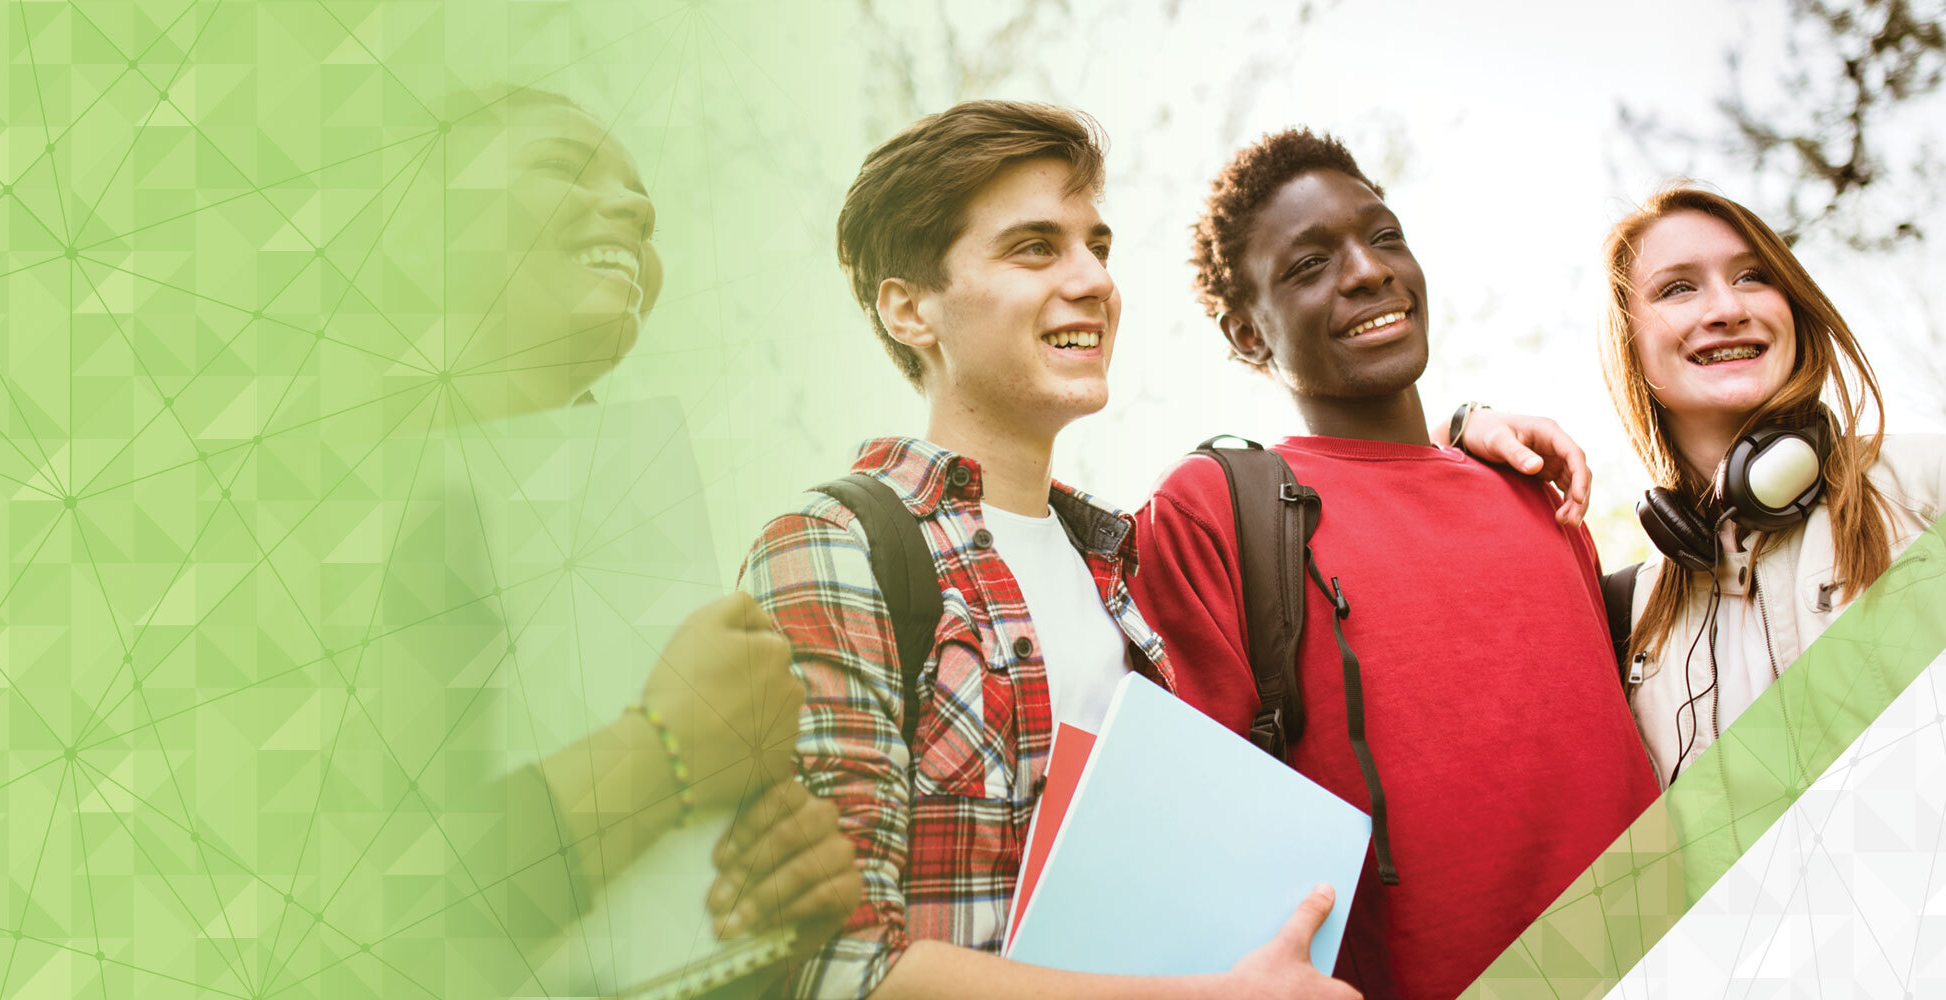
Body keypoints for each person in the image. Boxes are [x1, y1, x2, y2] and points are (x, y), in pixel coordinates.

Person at [739, 100, 1360, 1000]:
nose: (1094, 280)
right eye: (1035, 247)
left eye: (1097, 247)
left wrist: (1468, 437)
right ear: (911, 309)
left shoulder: (1122, 568)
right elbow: (835, 968)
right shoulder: (834, 549)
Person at [1130, 129, 1661, 999]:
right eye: (1308, 266)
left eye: (1383, 237)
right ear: (1246, 334)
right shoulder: (1213, 510)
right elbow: (1193, 852)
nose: (1369, 271)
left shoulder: (1533, 488)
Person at [391, 85, 861, 962]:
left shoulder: (636, 535)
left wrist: (789, 880)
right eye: (560, 167)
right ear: (418, 226)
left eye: (641, 202)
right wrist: (665, 759)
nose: (639, 211)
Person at [1601, 185, 1946, 784]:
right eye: (1678, 288)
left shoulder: (1927, 491)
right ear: (1629, 345)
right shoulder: (1628, 613)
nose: (1727, 308)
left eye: (1753, 277)